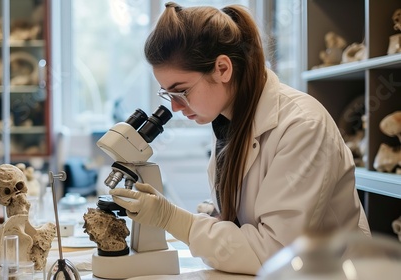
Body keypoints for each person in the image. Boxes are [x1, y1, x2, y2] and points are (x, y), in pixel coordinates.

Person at [110, 2, 371, 275]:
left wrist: (176, 220)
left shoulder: (301, 126)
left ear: (222, 69)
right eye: (167, 94)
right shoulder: (228, 120)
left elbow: (275, 252)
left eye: (181, 91)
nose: (175, 107)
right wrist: (218, 215)